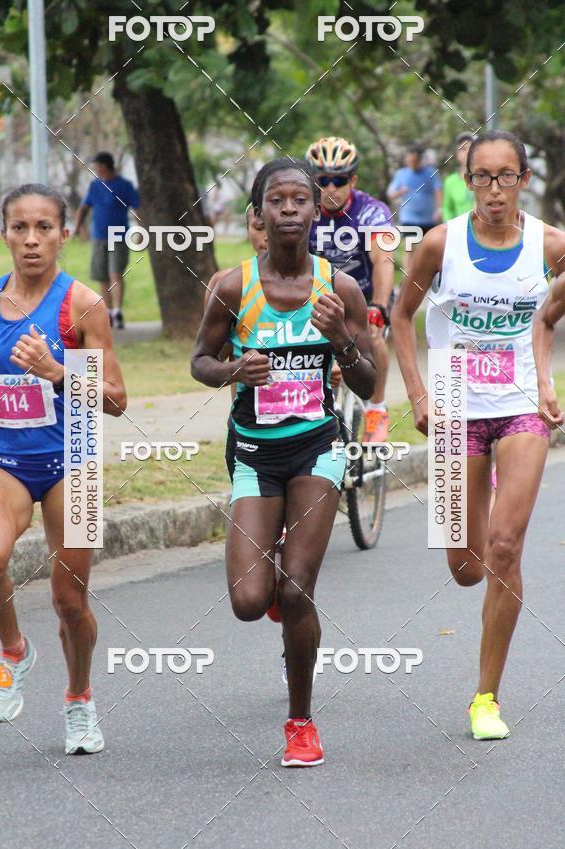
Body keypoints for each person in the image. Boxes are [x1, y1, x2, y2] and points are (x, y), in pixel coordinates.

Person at [191, 159, 376, 766]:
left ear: (316, 211)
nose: (290, 209)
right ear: (259, 213)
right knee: (250, 601)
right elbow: (199, 361)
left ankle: (301, 723)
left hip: (317, 446)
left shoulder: (339, 290)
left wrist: (341, 339)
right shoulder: (232, 287)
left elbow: (369, 384)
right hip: (253, 450)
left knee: (296, 590)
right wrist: (232, 370)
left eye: (301, 199)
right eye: (278, 200)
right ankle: (272, 573)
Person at [391, 130, 565, 740]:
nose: (495, 190)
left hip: (521, 407)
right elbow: (400, 318)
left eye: (506, 176)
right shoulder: (440, 245)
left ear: (524, 179)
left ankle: (485, 698)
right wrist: (418, 393)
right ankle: (478, 496)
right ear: (468, 181)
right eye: (483, 177)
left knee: (505, 548)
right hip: (453, 404)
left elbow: (547, 318)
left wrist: (545, 378)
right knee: (465, 566)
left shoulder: (551, 245)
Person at [0, 184, 127, 753]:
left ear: (64, 234)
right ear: (4, 234)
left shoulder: (82, 304)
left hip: (73, 458)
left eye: (44, 228)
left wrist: (58, 372)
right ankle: (14, 650)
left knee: (69, 601)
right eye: (20, 228)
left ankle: (79, 698)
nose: (31, 239)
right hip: (2, 458)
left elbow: (116, 399)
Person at [306, 136, 394, 442]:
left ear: (353, 180)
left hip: (366, 297)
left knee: (372, 333)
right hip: (320, 298)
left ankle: (376, 410)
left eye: (339, 180)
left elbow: (383, 260)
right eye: (323, 180)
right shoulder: (305, 209)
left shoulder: (371, 211)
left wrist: (379, 306)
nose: (330, 188)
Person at [72, 151, 140, 329]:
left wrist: (140, 230)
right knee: (102, 276)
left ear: (104, 166)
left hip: (118, 235)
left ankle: (117, 312)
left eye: (97, 165)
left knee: (115, 273)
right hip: (98, 236)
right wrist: (77, 227)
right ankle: (108, 313)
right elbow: (84, 208)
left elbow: (138, 209)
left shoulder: (124, 185)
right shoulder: (95, 186)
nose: (95, 169)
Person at [387, 146, 442, 275]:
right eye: (410, 160)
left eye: (415, 160)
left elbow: (438, 190)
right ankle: (407, 277)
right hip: (409, 217)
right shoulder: (401, 174)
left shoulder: (430, 173)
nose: (412, 163)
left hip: (428, 219)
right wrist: (400, 191)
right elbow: (391, 194)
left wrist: (439, 209)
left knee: (427, 250)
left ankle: (425, 277)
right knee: (409, 247)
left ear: (420, 160)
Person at [443, 133, 475, 221]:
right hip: (459, 227)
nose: (467, 152)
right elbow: (447, 208)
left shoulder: (486, 178)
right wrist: (450, 225)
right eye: (463, 149)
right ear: (457, 154)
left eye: (471, 148)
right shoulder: (450, 181)